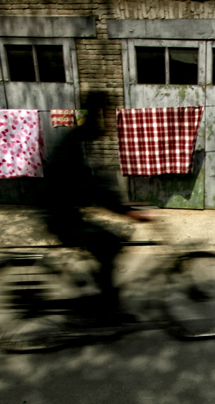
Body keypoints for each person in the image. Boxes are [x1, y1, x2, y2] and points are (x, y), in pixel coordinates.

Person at [40, 91, 148, 321]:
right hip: (61, 219)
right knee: (110, 243)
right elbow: (90, 188)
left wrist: (123, 204)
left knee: (106, 244)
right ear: (96, 116)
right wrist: (125, 210)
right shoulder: (72, 145)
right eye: (107, 117)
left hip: (65, 214)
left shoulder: (74, 140)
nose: (109, 124)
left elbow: (93, 183)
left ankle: (101, 295)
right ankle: (106, 308)